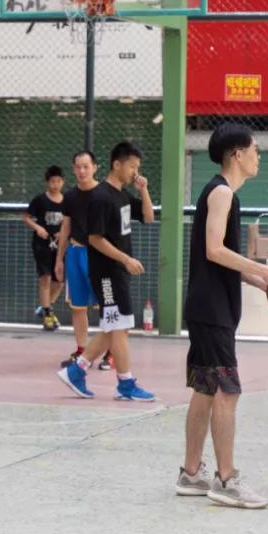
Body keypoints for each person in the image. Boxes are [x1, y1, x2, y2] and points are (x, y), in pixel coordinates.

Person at [175, 123, 268, 510]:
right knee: (227, 391)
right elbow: (214, 250)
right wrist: (265, 270)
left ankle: (190, 473)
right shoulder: (222, 192)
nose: (259, 155)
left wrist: (262, 282)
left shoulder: (222, 193)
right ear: (237, 154)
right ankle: (226, 480)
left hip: (208, 307)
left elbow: (220, 259)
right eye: (255, 149)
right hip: (212, 312)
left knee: (205, 389)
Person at [57, 142, 156, 402]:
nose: (135, 172)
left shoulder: (122, 194)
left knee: (116, 327)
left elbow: (148, 217)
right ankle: (124, 383)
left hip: (118, 271)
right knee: (118, 326)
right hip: (106, 273)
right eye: (132, 166)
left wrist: (143, 190)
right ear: (117, 164)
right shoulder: (101, 197)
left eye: (137, 167)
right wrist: (126, 259)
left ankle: (77, 371)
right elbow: (95, 239)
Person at [54, 150, 111, 369]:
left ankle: (111, 351)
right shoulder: (70, 196)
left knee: (107, 305)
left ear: (95, 167)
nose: (82, 171)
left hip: (99, 254)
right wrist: (59, 259)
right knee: (78, 307)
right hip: (75, 253)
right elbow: (65, 226)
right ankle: (81, 350)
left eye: (86, 166)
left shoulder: (105, 194)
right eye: (78, 167)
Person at [23, 165, 66, 331]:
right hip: (42, 244)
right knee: (45, 277)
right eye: (53, 181)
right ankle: (48, 314)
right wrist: (38, 228)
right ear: (47, 182)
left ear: (63, 182)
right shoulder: (40, 200)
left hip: (60, 245)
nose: (55, 184)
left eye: (58, 181)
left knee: (59, 281)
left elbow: (70, 222)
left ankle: (46, 307)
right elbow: (26, 218)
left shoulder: (67, 201)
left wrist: (63, 233)